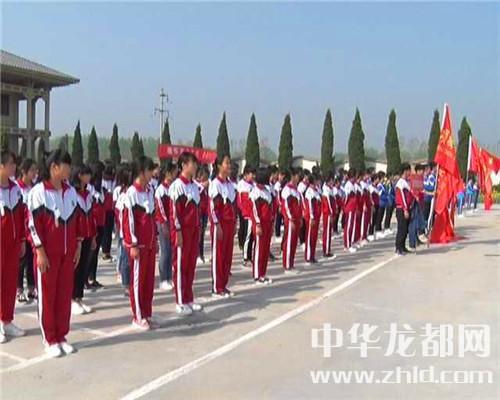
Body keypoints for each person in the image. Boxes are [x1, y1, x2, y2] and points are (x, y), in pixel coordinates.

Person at [27, 149, 82, 357]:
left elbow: (76, 221)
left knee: (64, 295)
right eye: (66, 165)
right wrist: (40, 252)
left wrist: (77, 246)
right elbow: (32, 225)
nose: (70, 169)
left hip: (67, 255)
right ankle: (49, 338)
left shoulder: (71, 192)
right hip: (48, 255)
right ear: (54, 167)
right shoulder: (39, 193)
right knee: (48, 297)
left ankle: (61, 335)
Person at [122, 156, 158, 330]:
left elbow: (152, 217)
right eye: (150, 170)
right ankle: (137, 316)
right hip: (139, 245)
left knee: (149, 281)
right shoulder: (131, 194)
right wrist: (133, 244)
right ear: (142, 172)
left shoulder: (150, 190)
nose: (153, 173)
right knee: (137, 282)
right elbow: (128, 222)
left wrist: (155, 239)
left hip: (150, 244)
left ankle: (146, 313)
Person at [169, 152, 202, 315]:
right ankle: (180, 300)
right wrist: (178, 232)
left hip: (194, 230)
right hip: (182, 231)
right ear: (183, 165)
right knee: (180, 266)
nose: (195, 166)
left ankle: (189, 298)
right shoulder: (177, 186)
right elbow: (174, 212)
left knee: (190, 265)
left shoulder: (194, 186)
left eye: (195, 163)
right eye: (192, 163)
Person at [1, 151, 27, 344]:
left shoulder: (15, 189)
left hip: (13, 243)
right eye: (10, 164)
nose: (14, 167)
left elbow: (22, 216)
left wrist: (22, 240)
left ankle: (6, 320)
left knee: (10, 282)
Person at [208, 155, 237, 298]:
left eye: (229, 163)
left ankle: (223, 285)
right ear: (219, 166)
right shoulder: (215, 184)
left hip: (230, 223)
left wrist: (235, 222)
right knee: (219, 255)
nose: (229, 165)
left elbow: (233, 206)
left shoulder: (230, 185)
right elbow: (213, 207)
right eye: (226, 163)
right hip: (220, 224)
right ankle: (216, 287)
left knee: (227, 256)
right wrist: (217, 224)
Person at [71, 165, 97, 315]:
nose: (89, 177)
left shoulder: (88, 194)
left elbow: (92, 216)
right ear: (79, 175)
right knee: (76, 268)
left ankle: (79, 297)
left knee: (84, 268)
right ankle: (72, 299)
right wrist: (77, 239)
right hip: (77, 237)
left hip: (88, 235)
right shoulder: (72, 194)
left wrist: (93, 236)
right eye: (86, 174)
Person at [16, 158, 38, 303]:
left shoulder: (35, 189)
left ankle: (31, 287)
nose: (35, 173)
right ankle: (19, 289)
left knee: (31, 259)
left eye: (35, 170)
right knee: (21, 261)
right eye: (32, 170)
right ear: (24, 171)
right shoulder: (17, 188)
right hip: (21, 230)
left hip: (33, 230)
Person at [154, 161, 177, 291]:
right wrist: (164, 223)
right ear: (168, 173)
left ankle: (169, 277)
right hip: (163, 223)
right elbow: (160, 209)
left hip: (171, 222)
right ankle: (163, 279)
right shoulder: (160, 190)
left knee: (171, 251)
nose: (175, 175)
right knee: (165, 251)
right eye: (173, 172)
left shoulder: (173, 188)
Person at [250, 168, 274, 284]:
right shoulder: (255, 192)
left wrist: (272, 223)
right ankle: (257, 275)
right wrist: (258, 224)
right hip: (260, 224)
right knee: (259, 250)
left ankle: (263, 273)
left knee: (265, 250)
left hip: (268, 223)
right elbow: (254, 210)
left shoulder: (267, 191)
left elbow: (271, 209)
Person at [87, 162, 105, 290]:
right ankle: (86, 278)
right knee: (90, 253)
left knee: (96, 252)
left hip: (101, 222)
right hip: (92, 223)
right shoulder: (88, 188)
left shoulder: (100, 188)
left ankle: (92, 277)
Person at [114, 164, 131, 296]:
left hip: (133, 233)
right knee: (125, 258)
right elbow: (119, 215)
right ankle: (126, 284)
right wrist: (122, 231)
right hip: (125, 233)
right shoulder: (123, 195)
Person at [281, 168, 302, 274]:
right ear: (293, 176)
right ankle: (287, 266)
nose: (299, 178)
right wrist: (291, 219)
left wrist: (300, 218)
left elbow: (299, 206)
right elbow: (286, 206)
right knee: (289, 243)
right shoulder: (287, 190)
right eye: (297, 175)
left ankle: (291, 263)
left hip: (297, 220)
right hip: (291, 221)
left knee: (294, 243)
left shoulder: (296, 190)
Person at [237, 165, 256, 267]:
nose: (253, 176)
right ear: (246, 174)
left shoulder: (253, 184)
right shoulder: (241, 185)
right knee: (247, 236)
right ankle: (245, 258)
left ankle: (249, 256)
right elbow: (240, 201)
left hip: (253, 214)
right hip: (246, 214)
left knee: (252, 236)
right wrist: (244, 213)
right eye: (251, 174)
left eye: (254, 174)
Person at [394, 163, 413, 255]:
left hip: (407, 208)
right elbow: (401, 197)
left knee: (405, 229)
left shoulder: (406, 182)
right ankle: (398, 248)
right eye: (409, 170)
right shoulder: (400, 183)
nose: (410, 172)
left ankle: (403, 246)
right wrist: (405, 209)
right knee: (401, 229)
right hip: (401, 209)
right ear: (405, 171)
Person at [304, 174, 322, 263]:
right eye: (316, 180)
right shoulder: (309, 192)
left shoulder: (316, 190)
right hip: (312, 217)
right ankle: (308, 256)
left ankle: (312, 255)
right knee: (310, 237)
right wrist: (311, 217)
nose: (318, 182)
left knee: (314, 237)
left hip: (317, 216)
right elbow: (310, 206)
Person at [100, 163, 115, 261]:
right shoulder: (103, 181)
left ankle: (107, 251)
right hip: (105, 208)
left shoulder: (113, 180)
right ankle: (105, 250)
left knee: (109, 230)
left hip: (111, 208)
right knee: (105, 230)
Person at [195, 166, 209, 265]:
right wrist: (203, 186)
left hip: (205, 212)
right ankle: (197, 255)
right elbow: (197, 194)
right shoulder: (196, 185)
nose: (206, 178)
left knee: (202, 234)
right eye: (204, 176)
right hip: (198, 213)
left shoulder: (205, 186)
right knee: (198, 235)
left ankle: (202, 254)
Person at [321, 173, 336, 258]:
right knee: (326, 232)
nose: (333, 182)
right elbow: (328, 203)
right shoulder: (326, 190)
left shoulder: (330, 189)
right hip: (327, 214)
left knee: (328, 232)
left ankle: (328, 249)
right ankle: (326, 251)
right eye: (332, 180)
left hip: (330, 213)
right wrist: (331, 213)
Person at [343, 168, 358, 253]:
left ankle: (350, 242)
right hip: (349, 208)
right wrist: (345, 207)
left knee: (351, 226)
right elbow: (346, 197)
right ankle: (347, 245)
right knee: (348, 227)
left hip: (352, 208)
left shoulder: (353, 184)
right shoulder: (348, 185)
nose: (355, 178)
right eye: (354, 176)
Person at [373, 171, 387, 239]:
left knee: (381, 217)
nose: (384, 179)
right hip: (380, 203)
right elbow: (379, 194)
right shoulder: (379, 185)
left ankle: (380, 229)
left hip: (383, 203)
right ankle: (377, 230)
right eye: (383, 177)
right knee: (379, 218)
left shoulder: (382, 185)